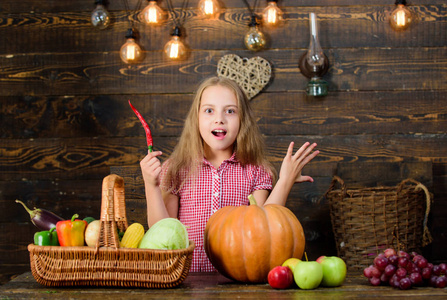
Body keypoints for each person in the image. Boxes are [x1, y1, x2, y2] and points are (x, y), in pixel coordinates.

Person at [140, 76, 319, 272]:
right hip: (187, 281)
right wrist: (151, 185)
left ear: (243, 120)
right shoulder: (177, 168)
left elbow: (266, 231)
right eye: (209, 110)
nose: (219, 119)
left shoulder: (256, 170)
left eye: (230, 111)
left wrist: (285, 180)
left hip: (237, 283)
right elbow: (163, 231)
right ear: (196, 118)